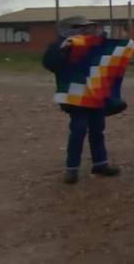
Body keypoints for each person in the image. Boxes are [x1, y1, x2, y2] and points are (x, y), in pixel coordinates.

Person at [42, 16, 122, 184]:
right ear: (70, 28)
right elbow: (49, 63)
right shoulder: (59, 45)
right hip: (75, 96)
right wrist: (63, 50)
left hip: (95, 94)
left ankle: (100, 164)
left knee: (97, 130)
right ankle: (72, 169)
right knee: (78, 132)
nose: (85, 30)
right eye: (80, 27)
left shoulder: (95, 43)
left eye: (87, 27)